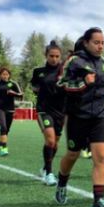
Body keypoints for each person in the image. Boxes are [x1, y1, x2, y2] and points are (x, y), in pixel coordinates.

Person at [54, 27, 104, 207]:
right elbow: (60, 85)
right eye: (96, 42)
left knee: (100, 157)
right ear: (86, 42)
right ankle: (62, 183)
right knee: (72, 154)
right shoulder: (74, 61)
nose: (100, 46)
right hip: (78, 116)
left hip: (101, 115)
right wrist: (83, 83)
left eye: (102, 43)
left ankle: (98, 200)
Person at [30, 40, 66, 185]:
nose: (54, 59)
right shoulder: (38, 72)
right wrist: (38, 90)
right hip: (44, 110)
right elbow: (34, 85)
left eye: (57, 56)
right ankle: (49, 174)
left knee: (55, 144)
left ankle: (45, 167)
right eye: (51, 56)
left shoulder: (65, 72)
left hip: (60, 112)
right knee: (50, 140)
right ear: (46, 55)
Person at [0, 67, 23, 156]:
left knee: (7, 129)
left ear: (9, 75)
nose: (5, 76)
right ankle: (4, 148)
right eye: (3, 74)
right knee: (3, 127)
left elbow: (21, 95)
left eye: (7, 74)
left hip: (10, 108)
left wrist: (13, 93)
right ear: (0, 75)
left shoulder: (13, 84)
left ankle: (1, 143)